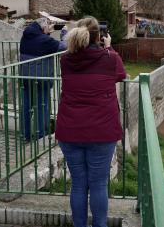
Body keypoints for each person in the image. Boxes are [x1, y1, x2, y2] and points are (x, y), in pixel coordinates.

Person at [55, 16, 126, 227]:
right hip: (101, 132)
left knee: (78, 183)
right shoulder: (109, 58)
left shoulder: (66, 60)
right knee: (97, 184)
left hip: (70, 131)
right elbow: (120, 75)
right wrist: (110, 48)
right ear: (99, 36)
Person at [19, 17, 66, 141]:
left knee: (26, 107)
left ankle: (25, 135)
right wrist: (64, 34)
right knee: (42, 106)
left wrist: (47, 32)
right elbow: (63, 46)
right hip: (41, 79)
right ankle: (41, 136)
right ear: (43, 28)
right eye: (49, 26)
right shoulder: (45, 40)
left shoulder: (26, 36)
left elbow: (40, 45)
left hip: (25, 76)